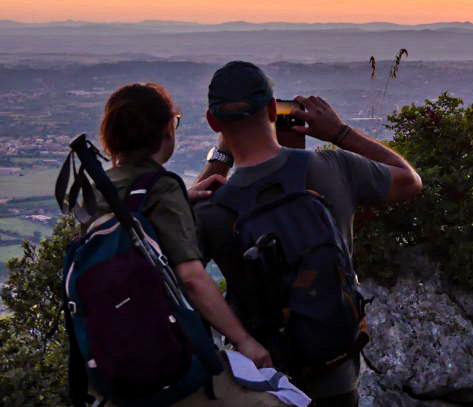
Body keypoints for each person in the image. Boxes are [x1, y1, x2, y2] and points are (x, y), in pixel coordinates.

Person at [194, 61, 423, 407]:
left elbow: (176, 261)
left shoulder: (211, 207)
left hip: (265, 380)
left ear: (214, 123)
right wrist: (338, 132)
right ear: (272, 110)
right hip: (336, 371)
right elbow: (409, 180)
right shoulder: (332, 168)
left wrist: (221, 156)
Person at [94, 83, 283, 406]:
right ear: (167, 131)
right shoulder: (162, 190)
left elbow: (133, 230)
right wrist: (245, 342)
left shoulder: (101, 187)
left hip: (108, 355)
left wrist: (183, 198)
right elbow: (192, 278)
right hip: (164, 360)